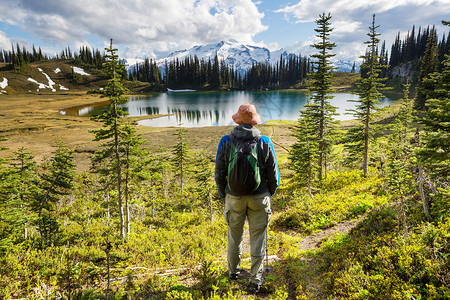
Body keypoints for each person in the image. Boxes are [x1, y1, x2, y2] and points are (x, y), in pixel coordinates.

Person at [215, 103, 280, 293]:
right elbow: (273, 175)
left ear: (238, 121)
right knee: (257, 238)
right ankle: (255, 280)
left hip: (234, 198)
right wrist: (269, 192)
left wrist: (223, 193)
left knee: (234, 237)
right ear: (253, 122)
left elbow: (219, 174)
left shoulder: (225, 141)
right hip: (259, 197)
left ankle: (233, 273)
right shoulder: (265, 141)